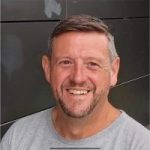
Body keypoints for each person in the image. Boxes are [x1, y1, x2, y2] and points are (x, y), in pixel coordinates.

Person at [1, 14, 150, 150]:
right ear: (47, 69)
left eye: (92, 64)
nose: (78, 78)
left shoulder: (140, 144)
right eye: (66, 62)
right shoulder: (17, 138)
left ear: (113, 71)